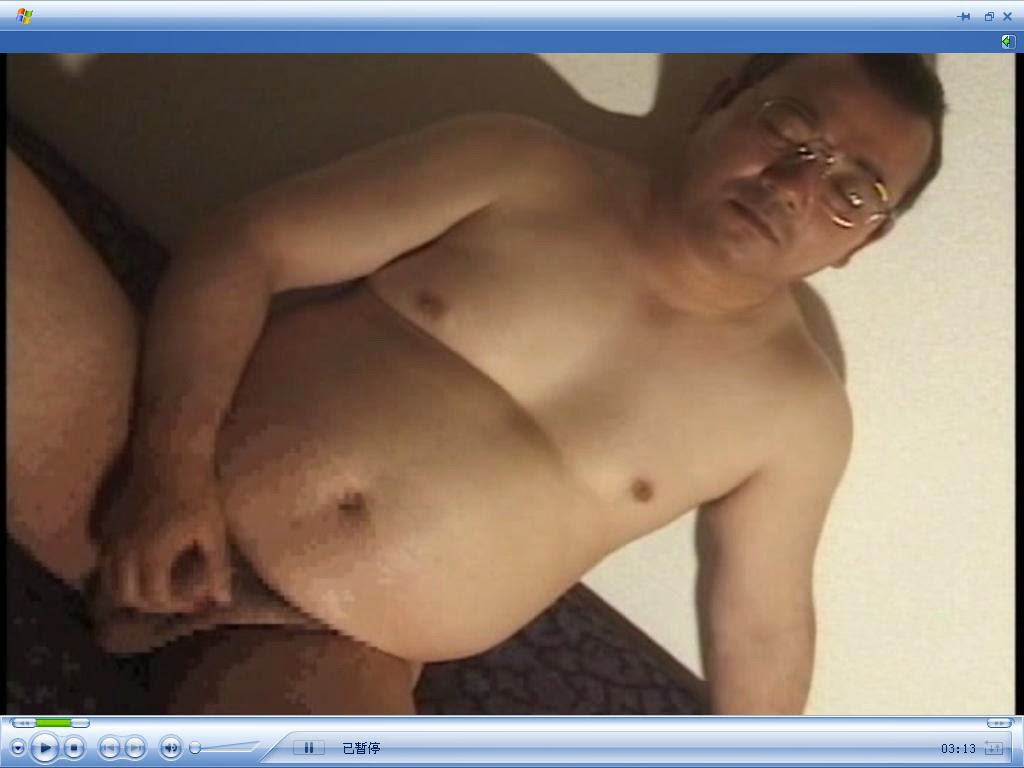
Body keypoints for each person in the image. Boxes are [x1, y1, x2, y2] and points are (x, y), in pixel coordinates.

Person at [7, 53, 946, 715]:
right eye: (791, 129)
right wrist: (169, 471)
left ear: (862, 244)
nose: (796, 184)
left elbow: (763, 629)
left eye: (853, 192)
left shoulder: (796, 413)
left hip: (313, 654)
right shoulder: (521, 165)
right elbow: (248, 247)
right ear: (722, 102)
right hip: (121, 455)